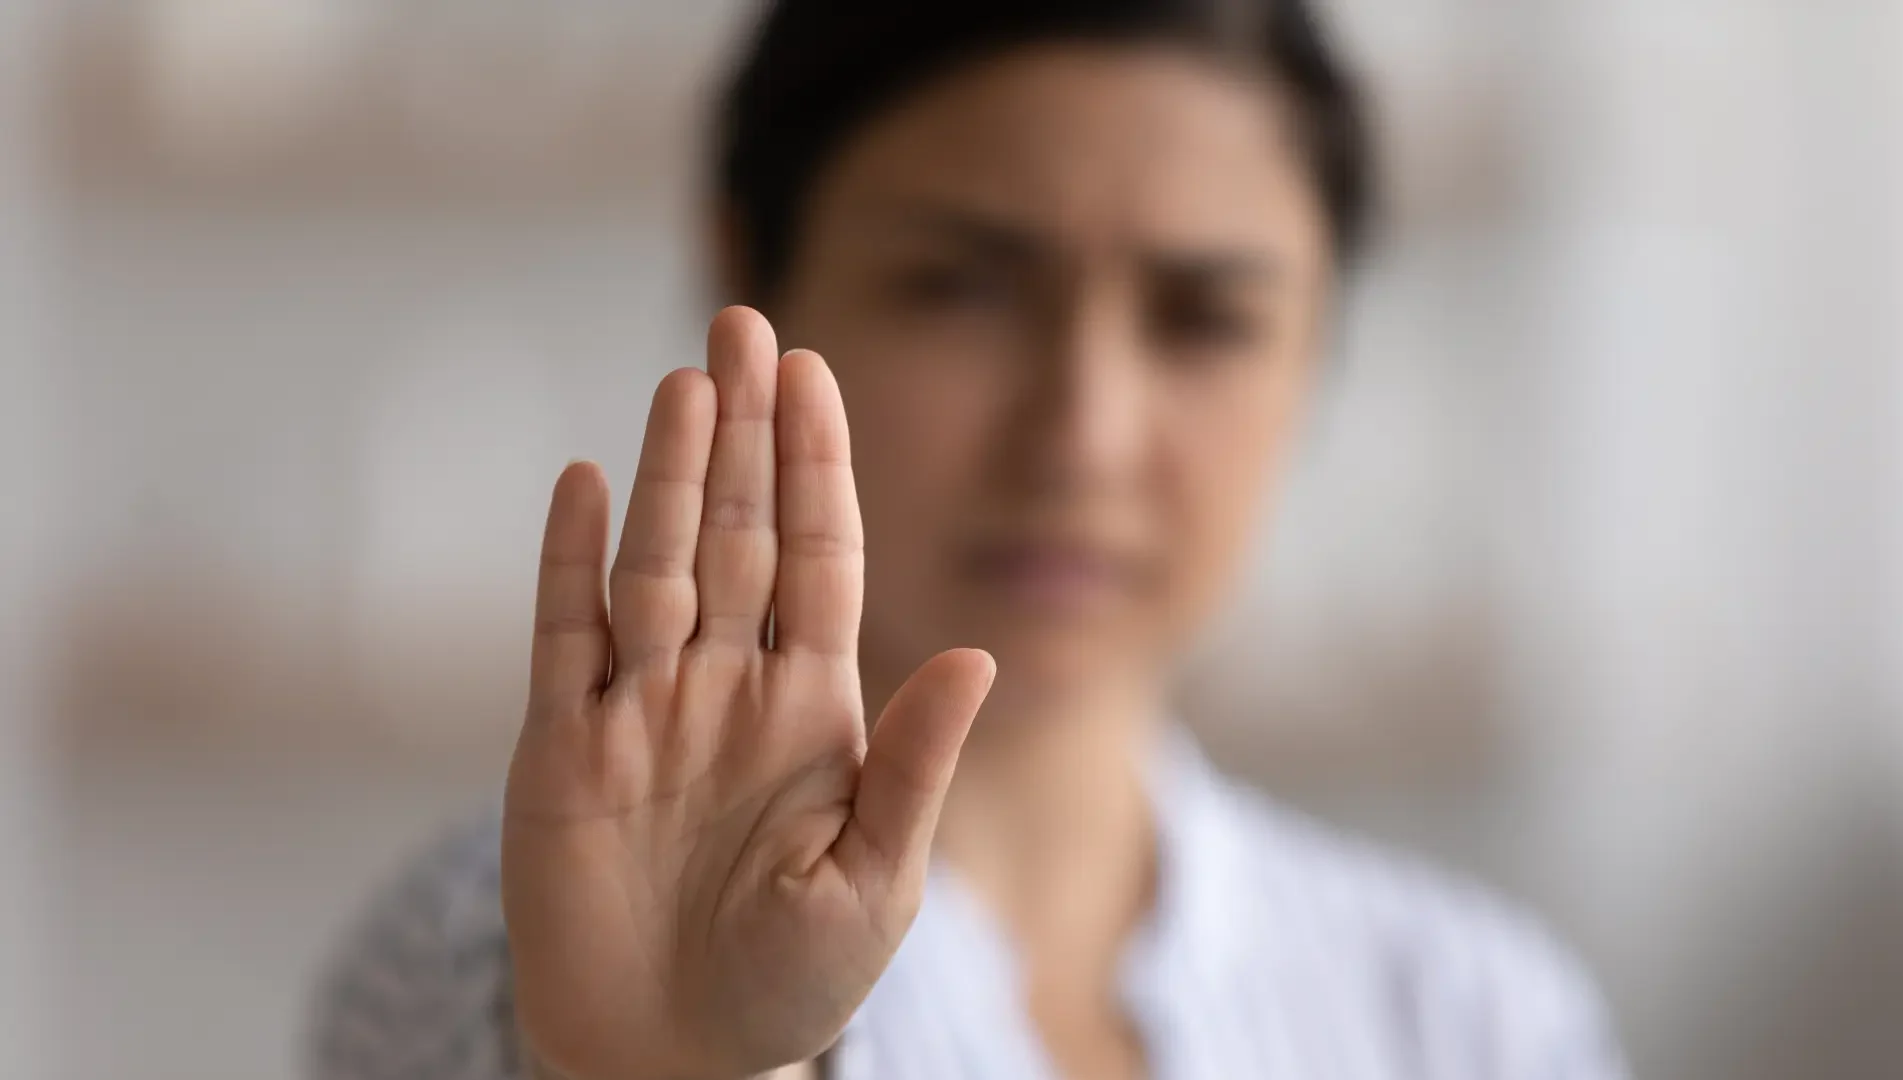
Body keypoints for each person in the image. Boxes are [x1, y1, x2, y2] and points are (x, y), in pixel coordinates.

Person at [309, 1, 1628, 1078]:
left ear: (1321, 345)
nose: (1084, 435)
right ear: (747, 275)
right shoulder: (500, 960)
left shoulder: (1471, 1016)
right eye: (963, 288)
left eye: (1204, 318)